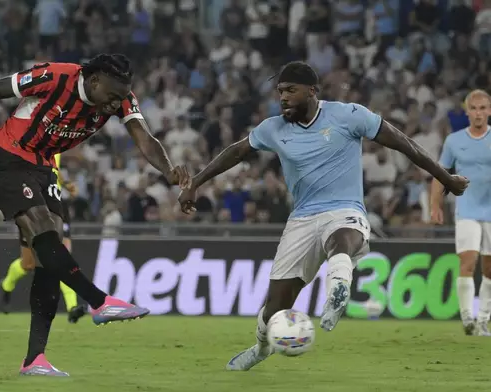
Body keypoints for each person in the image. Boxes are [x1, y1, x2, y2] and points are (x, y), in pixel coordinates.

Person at [177, 61, 469, 371]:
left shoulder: (348, 115)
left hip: (345, 208)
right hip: (302, 220)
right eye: (280, 92)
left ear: (312, 91)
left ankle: (338, 289)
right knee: (273, 309)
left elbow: (405, 144)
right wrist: (195, 182)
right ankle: (262, 347)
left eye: (291, 90)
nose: (284, 98)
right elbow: (235, 152)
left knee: (343, 238)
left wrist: (445, 177)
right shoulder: (273, 128)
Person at [0, 54, 191, 376]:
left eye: (121, 97)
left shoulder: (121, 98)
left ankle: (35, 358)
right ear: (94, 82)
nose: (116, 104)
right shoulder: (56, 77)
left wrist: (168, 170)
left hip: (44, 166)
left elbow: (144, 139)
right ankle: (99, 301)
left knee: (52, 254)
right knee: (42, 229)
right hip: (7, 158)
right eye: (112, 96)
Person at [0, 152, 88, 324]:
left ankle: (72, 308)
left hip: (56, 206)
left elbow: (53, 169)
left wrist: (65, 182)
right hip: (32, 208)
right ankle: (6, 285)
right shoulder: (27, 144)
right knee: (28, 264)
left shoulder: (56, 142)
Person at [431, 89, 491, 336]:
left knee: (490, 270)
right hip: (466, 209)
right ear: (467, 112)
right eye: (474, 108)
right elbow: (440, 174)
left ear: (489, 111)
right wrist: (435, 204)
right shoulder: (454, 141)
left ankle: (484, 319)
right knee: (468, 261)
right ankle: (468, 318)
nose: (478, 113)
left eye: (483, 108)